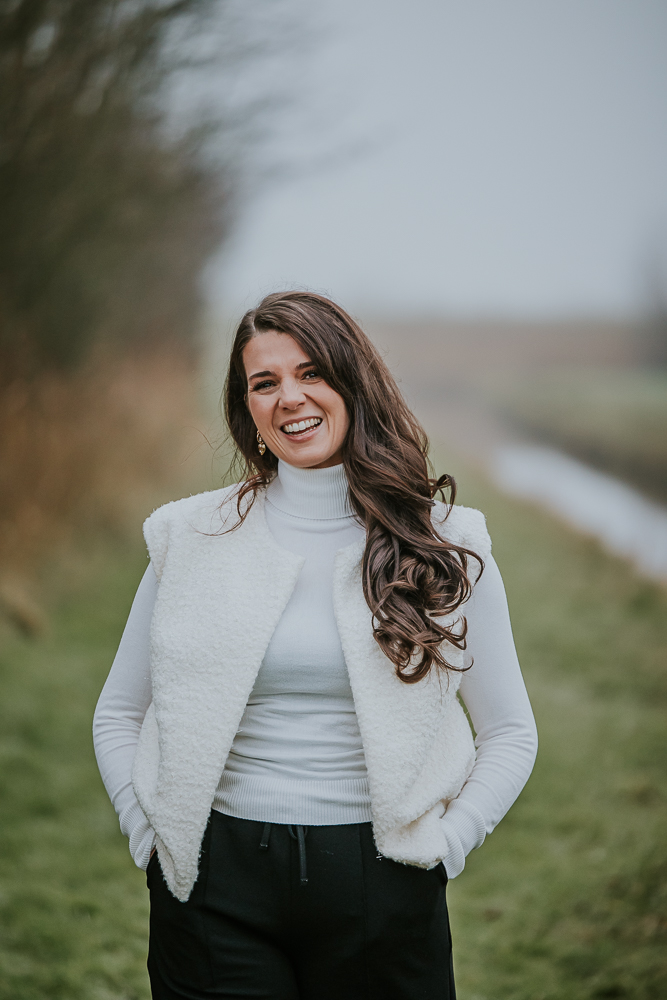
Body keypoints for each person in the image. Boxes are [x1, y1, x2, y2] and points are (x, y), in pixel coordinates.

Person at [93, 291, 538, 1000]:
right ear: (249, 412)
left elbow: (510, 732)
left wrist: (448, 846)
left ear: (352, 384)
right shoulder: (189, 537)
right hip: (215, 883)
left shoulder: (443, 543)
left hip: (383, 883)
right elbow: (118, 711)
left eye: (311, 373)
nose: (289, 397)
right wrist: (146, 832)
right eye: (263, 383)